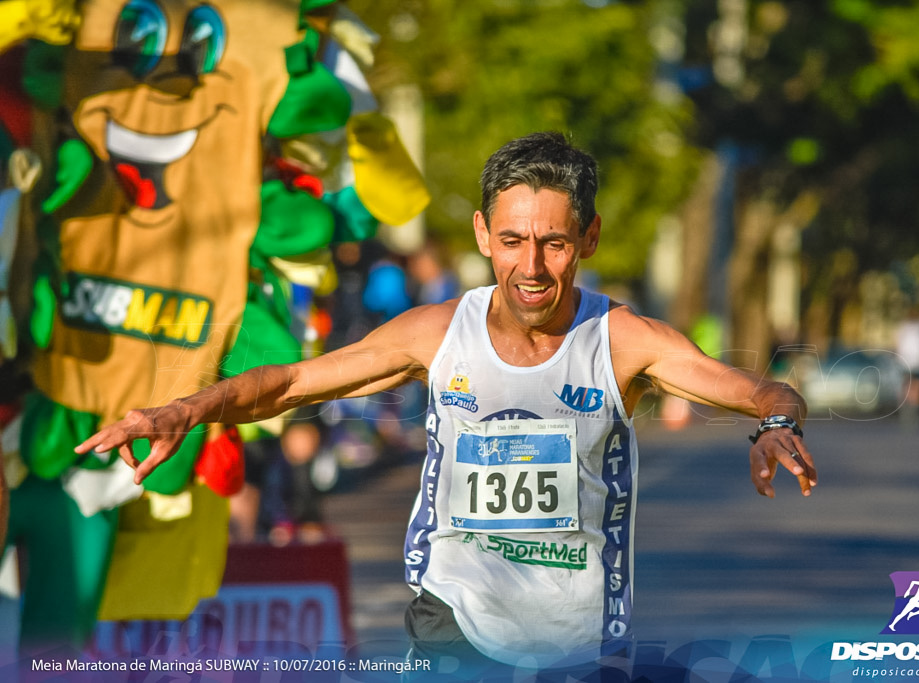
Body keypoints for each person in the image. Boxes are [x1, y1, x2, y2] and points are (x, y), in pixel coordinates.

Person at [75, 132, 817, 676]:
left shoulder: (622, 340)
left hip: (584, 637)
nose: (530, 267)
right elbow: (293, 383)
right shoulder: (439, 333)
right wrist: (187, 409)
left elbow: (757, 388)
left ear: (588, 237)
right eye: (512, 240)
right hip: (452, 621)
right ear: (482, 236)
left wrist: (775, 422)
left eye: (554, 243)